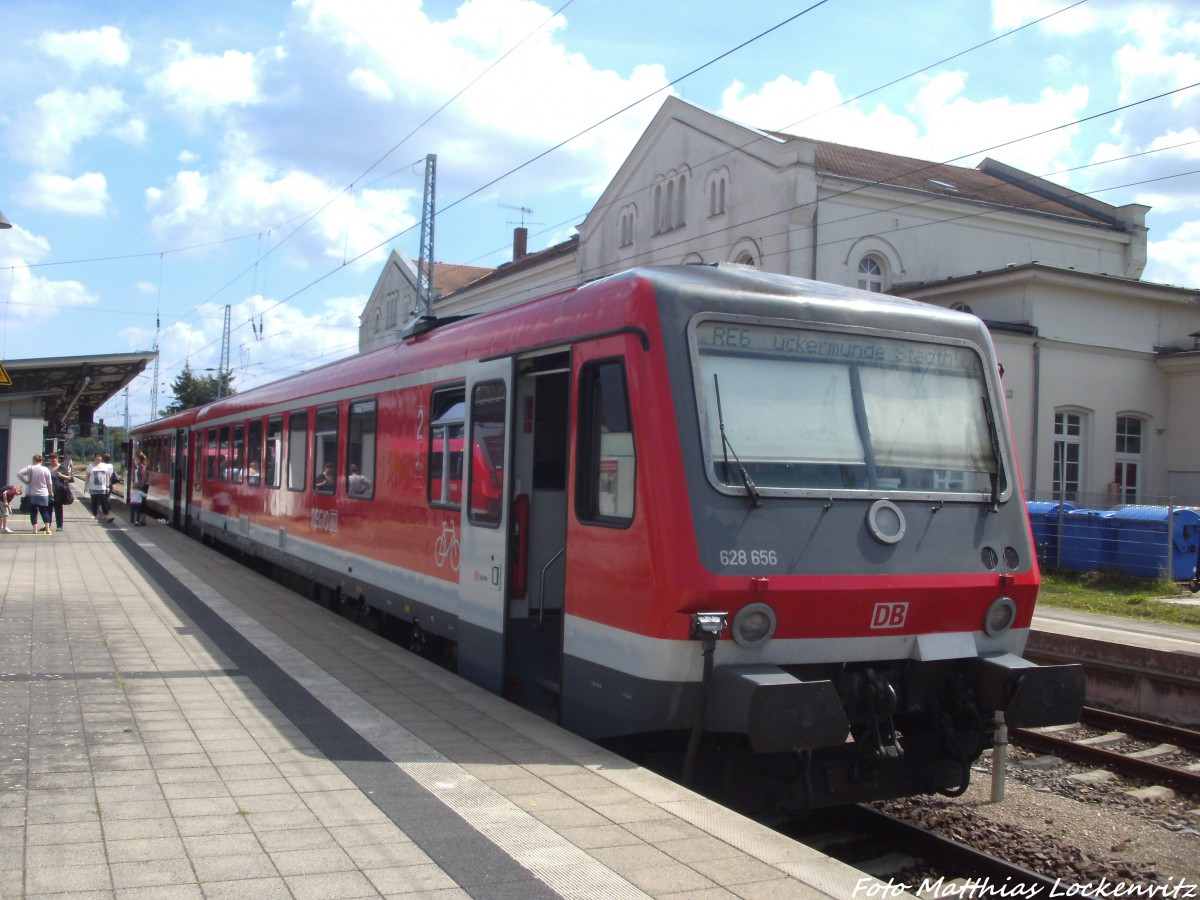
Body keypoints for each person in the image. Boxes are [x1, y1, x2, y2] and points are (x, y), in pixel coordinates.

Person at [17, 453, 54, 534]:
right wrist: (51, 492)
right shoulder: (45, 469)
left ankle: (35, 529)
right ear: (41, 460)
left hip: (32, 494)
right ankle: (47, 529)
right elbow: (49, 483)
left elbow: (19, 474)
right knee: (44, 512)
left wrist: (26, 482)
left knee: (33, 512)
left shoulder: (29, 468)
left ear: (34, 460)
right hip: (43, 493)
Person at [47, 451, 72, 531]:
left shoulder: (61, 467)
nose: (53, 460)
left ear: (57, 459)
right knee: (48, 509)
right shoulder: (47, 468)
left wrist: (61, 475)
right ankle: (47, 525)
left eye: (55, 458)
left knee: (58, 509)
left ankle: (59, 526)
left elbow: (70, 478)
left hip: (59, 492)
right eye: (52, 458)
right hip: (48, 492)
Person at [86, 453, 115, 523]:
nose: (99, 458)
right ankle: (96, 516)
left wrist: (107, 486)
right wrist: (85, 486)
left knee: (103, 502)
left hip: (102, 487)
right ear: (94, 458)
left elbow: (107, 476)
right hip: (93, 487)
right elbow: (87, 477)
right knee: (94, 502)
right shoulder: (90, 466)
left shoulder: (104, 466)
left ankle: (107, 516)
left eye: (100, 456)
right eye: (97, 456)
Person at [130, 451, 149, 526]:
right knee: (141, 502)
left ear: (138, 459)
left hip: (141, 487)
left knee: (142, 502)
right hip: (139, 486)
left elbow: (144, 478)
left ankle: (143, 519)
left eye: (135, 459)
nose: (134, 460)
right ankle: (141, 519)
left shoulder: (142, 467)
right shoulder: (139, 467)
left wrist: (140, 486)